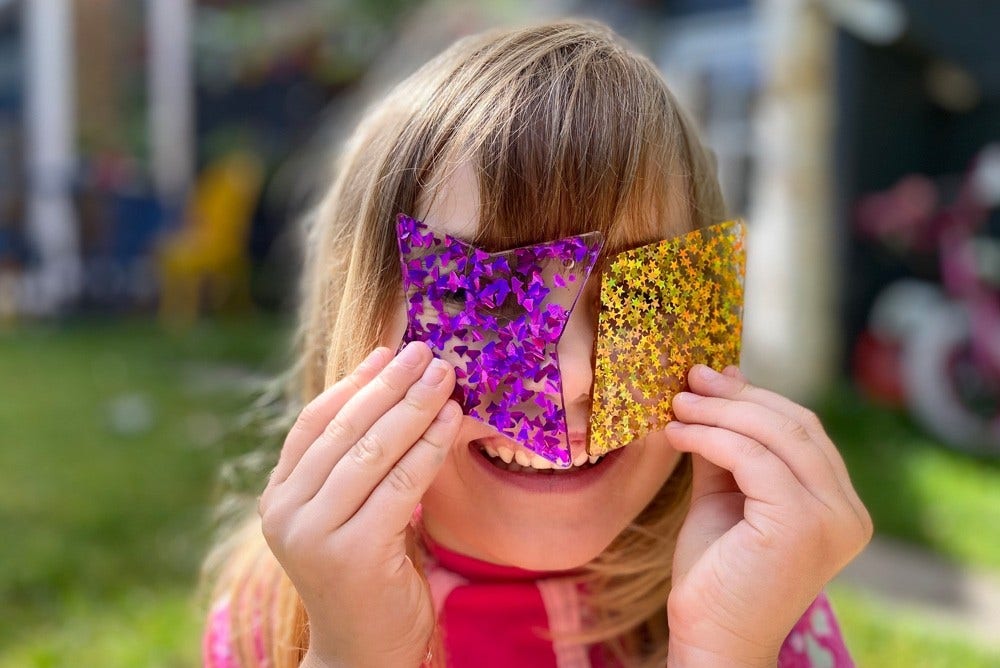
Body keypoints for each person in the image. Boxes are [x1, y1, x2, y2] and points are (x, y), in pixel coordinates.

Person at [201, 20, 872, 668]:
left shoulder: (765, 599)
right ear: (355, 317)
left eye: (642, 295)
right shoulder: (279, 619)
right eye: (482, 295)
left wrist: (728, 653)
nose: (575, 375)